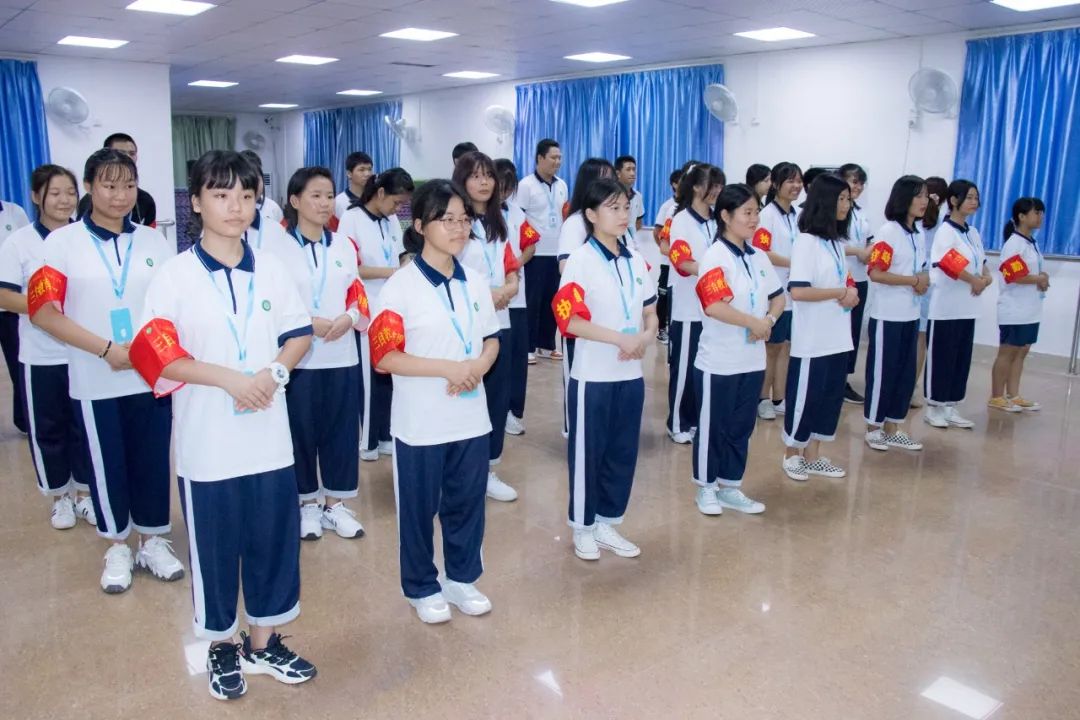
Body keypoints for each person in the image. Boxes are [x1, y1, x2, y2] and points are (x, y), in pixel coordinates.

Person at [131, 149, 316, 700]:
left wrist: (273, 373)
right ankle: (220, 646)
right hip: (207, 444)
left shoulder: (272, 269)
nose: (236, 206)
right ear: (196, 203)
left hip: (269, 439)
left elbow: (298, 334)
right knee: (214, 550)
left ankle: (264, 643)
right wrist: (231, 380)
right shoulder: (174, 276)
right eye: (221, 194)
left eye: (246, 195)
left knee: (273, 543)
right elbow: (157, 355)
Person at [30, 148, 182, 593]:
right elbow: (43, 312)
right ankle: (117, 544)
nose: (120, 195)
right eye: (110, 185)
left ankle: (152, 540)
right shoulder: (61, 244)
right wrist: (105, 350)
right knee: (106, 462)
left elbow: (172, 306)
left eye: (129, 185)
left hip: (150, 375)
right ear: (89, 187)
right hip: (96, 375)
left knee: (152, 459)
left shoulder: (153, 242)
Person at [370, 179, 500, 624]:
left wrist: (478, 366)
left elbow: (491, 338)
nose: (459, 228)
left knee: (467, 502)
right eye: (448, 220)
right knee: (418, 509)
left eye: (465, 220)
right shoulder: (399, 288)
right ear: (421, 226)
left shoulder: (475, 282)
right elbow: (385, 356)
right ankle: (422, 586)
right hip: (421, 421)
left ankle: (461, 578)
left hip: (471, 416)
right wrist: (449, 369)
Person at [553, 177, 657, 560]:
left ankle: (607, 522)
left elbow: (650, 311)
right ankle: (582, 527)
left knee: (621, 452)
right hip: (593, 377)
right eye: (613, 208)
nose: (623, 214)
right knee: (588, 453)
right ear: (592, 215)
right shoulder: (581, 261)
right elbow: (570, 320)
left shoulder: (635, 259)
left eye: (626, 207)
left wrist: (645, 337)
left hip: (630, 375)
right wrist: (619, 339)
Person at [265, 166, 368, 540]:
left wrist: (350, 316)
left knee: (341, 432)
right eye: (315, 196)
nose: (325, 203)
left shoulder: (342, 244)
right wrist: (308, 322)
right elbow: (270, 302)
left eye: (328, 196)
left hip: (342, 355)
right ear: (294, 200)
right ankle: (308, 503)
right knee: (302, 432)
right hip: (299, 359)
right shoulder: (274, 249)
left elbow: (357, 291)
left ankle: (335, 505)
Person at [0, 165, 94, 528]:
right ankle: (60, 498)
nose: (64, 200)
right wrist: (46, 306)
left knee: (83, 426)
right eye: (55, 193)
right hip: (41, 355)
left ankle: (84, 494)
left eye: (70, 192)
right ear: (37, 197)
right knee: (48, 428)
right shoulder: (19, 243)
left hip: (83, 351)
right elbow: (5, 296)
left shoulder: (84, 238)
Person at [692, 184, 783, 516]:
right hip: (719, 360)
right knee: (713, 426)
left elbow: (778, 296)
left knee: (741, 426)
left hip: (751, 359)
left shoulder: (758, 256)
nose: (755, 218)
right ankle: (706, 487)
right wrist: (752, 323)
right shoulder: (715, 256)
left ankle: (730, 486)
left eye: (757, 211)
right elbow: (713, 305)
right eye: (747, 212)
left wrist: (768, 320)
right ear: (726, 216)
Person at [781, 173, 859, 481]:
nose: (847, 205)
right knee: (806, 397)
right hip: (813, 338)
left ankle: (813, 456)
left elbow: (841, 281)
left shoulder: (836, 243)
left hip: (837, 336)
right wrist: (840, 292)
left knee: (828, 399)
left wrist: (848, 293)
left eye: (848, 199)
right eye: (841, 199)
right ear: (825, 202)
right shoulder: (806, 242)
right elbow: (799, 291)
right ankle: (791, 454)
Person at [452, 151, 520, 502]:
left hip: (499, 320)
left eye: (488, 175)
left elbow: (510, 265)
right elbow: (450, 270)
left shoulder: (498, 222)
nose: (484, 182)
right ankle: (460, 470)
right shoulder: (455, 222)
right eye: (476, 176)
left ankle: (489, 468)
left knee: (496, 398)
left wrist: (509, 287)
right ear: (462, 181)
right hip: (466, 325)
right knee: (466, 397)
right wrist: (488, 295)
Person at [338, 168, 414, 461]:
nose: (398, 209)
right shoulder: (351, 219)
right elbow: (351, 268)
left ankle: (385, 434)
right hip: (366, 307)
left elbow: (400, 254)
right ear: (380, 193)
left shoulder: (391, 220)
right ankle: (367, 441)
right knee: (369, 379)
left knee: (389, 374)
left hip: (391, 307)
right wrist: (394, 271)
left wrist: (406, 266)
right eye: (396, 202)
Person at [862, 175, 929, 452]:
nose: (924, 201)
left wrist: (923, 279)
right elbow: (876, 273)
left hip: (910, 314)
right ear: (904, 199)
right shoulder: (888, 232)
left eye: (926, 196)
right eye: (919, 196)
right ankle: (873, 427)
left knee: (904, 372)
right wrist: (913, 281)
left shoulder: (918, 233)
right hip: (887, 315)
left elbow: (921, 268)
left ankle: (893, 426)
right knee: (883, 372)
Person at [666, 163, 724, 444]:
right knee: (684, 369)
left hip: (713, 310)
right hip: (688, 307)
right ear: (697, 187)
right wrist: (717, 273)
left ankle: (696, 419)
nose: (718, 191)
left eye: (720, 186)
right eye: (713, 185)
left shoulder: (717, 220)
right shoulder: (682, 220)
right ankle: (677, 422)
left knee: (703, 368)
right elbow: (681, 261)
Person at [924, 179, 990, 430]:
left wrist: (986, 277)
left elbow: (982, 261)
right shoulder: (946, 231)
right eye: (969, 197)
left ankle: (950, 406)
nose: (974, 202)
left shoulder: (972, 232)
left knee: (960, 359)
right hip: (946, 307)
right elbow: (947, 263)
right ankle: (934, 407)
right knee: (942, 357)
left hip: (968, 306)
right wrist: (974, 280)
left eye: (976, 198)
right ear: (954, 200)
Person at [754, 162, 803, 420]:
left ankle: (779, 397)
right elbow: (762, 251)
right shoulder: (767, 215)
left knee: (786, 346)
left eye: (799, 181)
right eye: (790, 181)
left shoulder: (797, 216)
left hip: (794, 294)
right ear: (776, 184)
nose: (796, 186)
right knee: (771, 347)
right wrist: (796, 263)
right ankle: (762, 398)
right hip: (774, 292)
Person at [990, 197, 1048, 412]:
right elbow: (1013, 275)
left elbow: (1032, 270)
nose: (1040, 217)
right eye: (1036, 213)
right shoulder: (1014, 244)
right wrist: (1039, 278)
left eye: (1041, 213)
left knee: (1021, 352)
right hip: (1014, 309)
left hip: (1030, 309)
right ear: (1022, 216)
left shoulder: (1031, 242)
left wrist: (1042, 276)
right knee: (1008, 352)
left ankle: (1013, 395)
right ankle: (997, 396)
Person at [494, 158, 537, 436]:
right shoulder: (474, 215)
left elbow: (530, 244)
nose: (504, 192)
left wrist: (514, 266)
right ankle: (494, 411)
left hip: (515, 296)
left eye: (509, 187)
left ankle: (513, 411)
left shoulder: (516, 213)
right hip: (490, 298)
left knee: (517, 357)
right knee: (495, 358)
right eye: (501, 185)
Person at [517, 139, 567, 361]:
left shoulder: (562, 185)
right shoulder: (526, 185)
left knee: (552, 300)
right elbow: (519, 219)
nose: (557, 162)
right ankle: (528, 346)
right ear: (540, 158)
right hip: (535, 253)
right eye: (553, 157)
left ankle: (546, 344)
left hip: (556, 252)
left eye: (559, 158)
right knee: (532, 300)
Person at [912, 176, 948, 408]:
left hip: (913, 282)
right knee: (920, 340)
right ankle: (910, 388)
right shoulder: (943, 223)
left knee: (910, 338)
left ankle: (902, 388)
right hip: (926, 284)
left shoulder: (913, 222)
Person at [839, 163, 874, 404]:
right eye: (854, 182)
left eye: (861, 183)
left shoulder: (861, 212)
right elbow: (832, 243)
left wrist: (870, 250)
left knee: (853, 332)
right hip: (842, 280)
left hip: (860, 278)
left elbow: (869, 240)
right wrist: (858, 252)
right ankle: (837, 378)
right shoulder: (836, 211)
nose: (858, 187)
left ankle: (844, 379)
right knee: (841, 331)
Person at [76, 133, 157, 227]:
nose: (127, 157)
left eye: (132, 153)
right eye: (121, 153)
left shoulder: (145, 199)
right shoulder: (89, 202)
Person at [0, 195, 31, 433]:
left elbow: (26, 252)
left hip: (9, 307)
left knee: (17, 363)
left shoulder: (14, 212)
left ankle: (24, 419)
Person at [652, 168, 682, 345]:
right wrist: (666, 251)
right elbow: (657, 232)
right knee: (663, 295)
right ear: (674, 184)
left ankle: (672, 327)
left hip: (681, 265)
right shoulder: (669, 207)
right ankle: (661, 329)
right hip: (668, 262)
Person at [239, 150, 283, 226]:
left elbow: (284, 230)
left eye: (256, 179)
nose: (252, 185)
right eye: (247, 179)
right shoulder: (231, 208)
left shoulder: (273, 207)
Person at [331, 151, 374, 227]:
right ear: (349, 174)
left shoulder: (375, 198)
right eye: (362, 170)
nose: (367, 174)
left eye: (369, 169)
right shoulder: (339, 202)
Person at [615, 155, 645, 251]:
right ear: (618, 173)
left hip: (631, 243)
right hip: (613, 241)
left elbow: (639, 222)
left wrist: (629, 233)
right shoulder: (610, 195)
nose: (632, 173)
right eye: (628, 169)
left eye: (634, 169)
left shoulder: (638, 196)